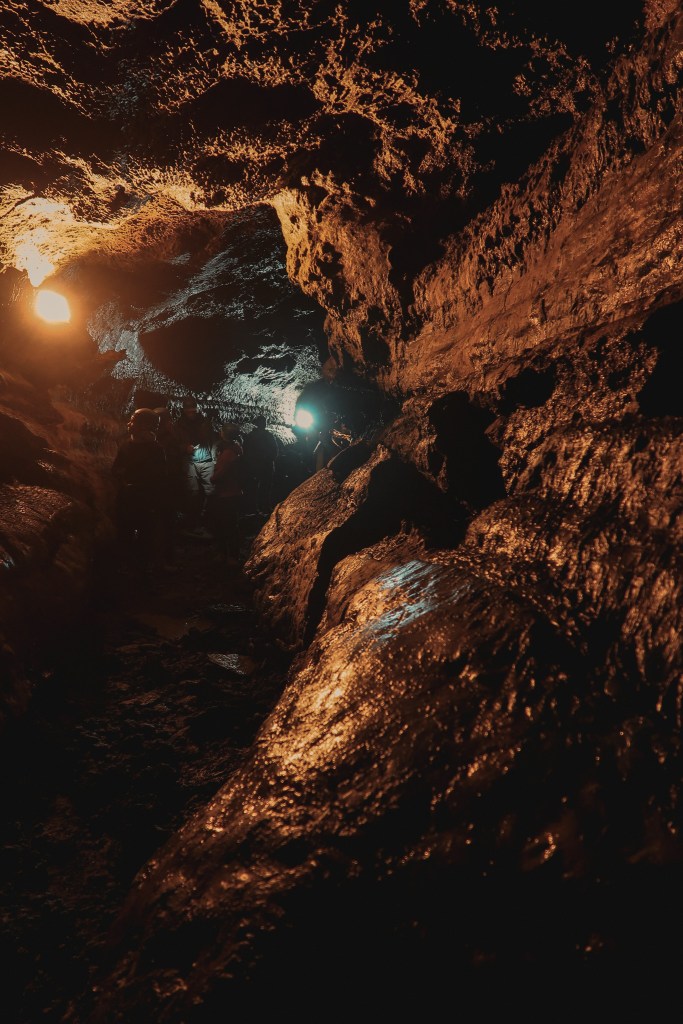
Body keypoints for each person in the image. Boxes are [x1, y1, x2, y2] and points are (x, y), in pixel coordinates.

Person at [111, 407, 166, 570]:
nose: (129, 423)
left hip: (145, 499)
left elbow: (160, 477)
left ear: (144, 425)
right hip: (127, 498)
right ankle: (126, 570)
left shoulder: (156, 449)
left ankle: (143, 572)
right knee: (124, 535)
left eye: (133, 420)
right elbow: (116, 468)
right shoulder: (126, 446)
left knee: (145, 537)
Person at [173, 396, 217, 533]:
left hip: (206, 460)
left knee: (210, 491)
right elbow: (174, 444)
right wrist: (184, 448)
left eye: (193, 410)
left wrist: (214, 458)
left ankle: (208, 521)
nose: (191, 413)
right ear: (184, 410)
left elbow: (214, 439)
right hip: (189, 460)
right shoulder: (178, 425)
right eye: (188, 410)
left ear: (196, 409)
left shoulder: (205, 422)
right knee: (193, 492)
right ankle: (193, 522)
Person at [207, 422, 244, 565]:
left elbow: (219, 475)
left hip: (226, 494)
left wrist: (212, 478)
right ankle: (231, 555)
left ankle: (228, 555)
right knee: (231, 525)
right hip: (235, 492)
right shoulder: (238, 448)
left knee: (224, 526)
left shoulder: (228, 453)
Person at [153, 405, 185, 566]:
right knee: (166, 523)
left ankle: (161, 556)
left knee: (160, 524)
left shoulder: (153, 440)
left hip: (156, 489)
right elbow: (174, 465)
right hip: (166, 488)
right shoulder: (168, 440)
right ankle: (167, 557)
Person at [242, 414, 278, 515]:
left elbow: (246, 451)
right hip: (262, 466)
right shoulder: (266, 436)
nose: (264, 424)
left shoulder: (251, 436)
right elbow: (275, 451)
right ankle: (262, 507)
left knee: (259, 488)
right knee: (262, 488)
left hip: (258, 466)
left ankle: (258, 507)